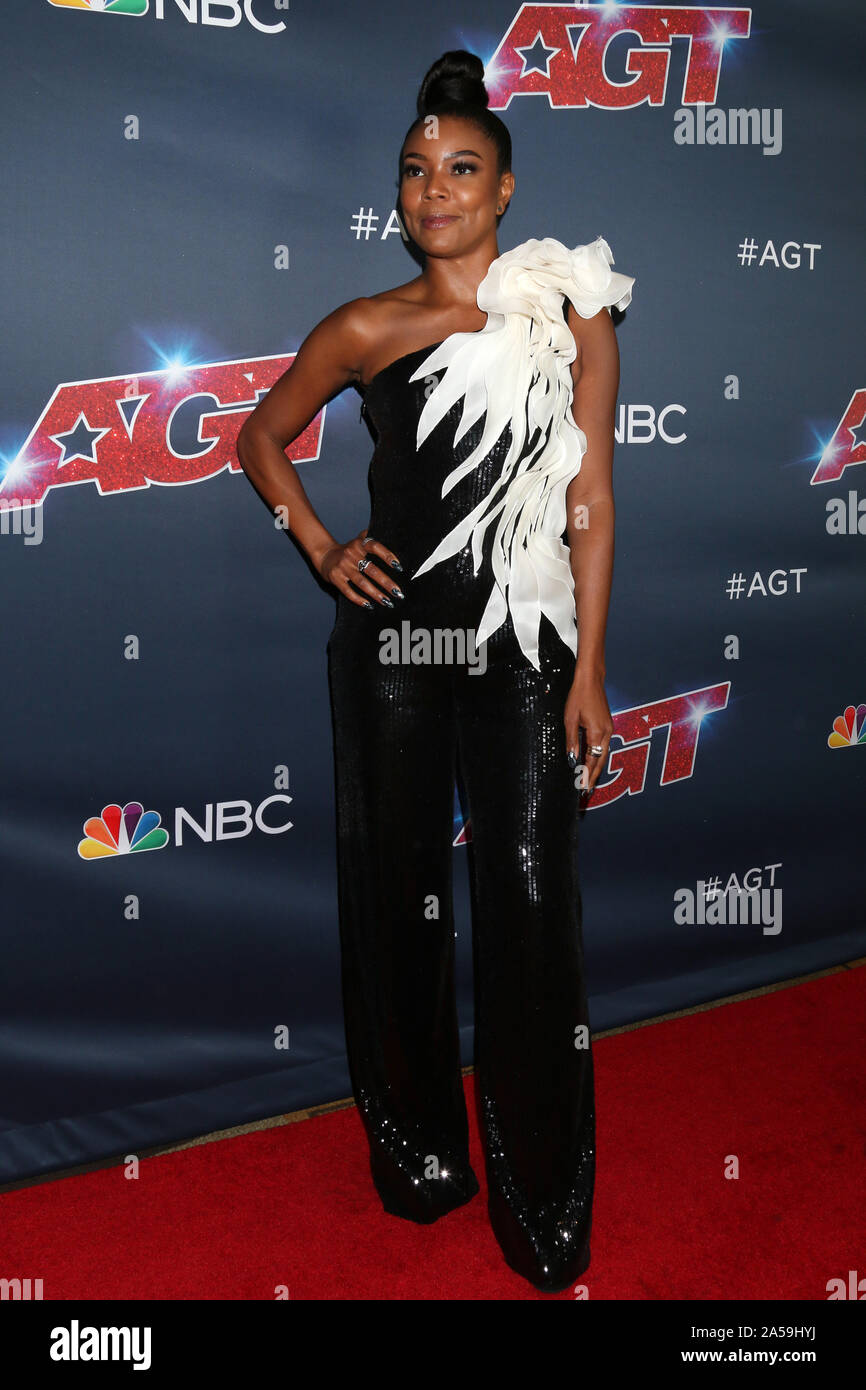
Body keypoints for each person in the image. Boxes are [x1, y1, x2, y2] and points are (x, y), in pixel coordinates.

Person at [237, 49, 633, 1293]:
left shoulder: (570, 308)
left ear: (505, 187)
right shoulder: (367, 327)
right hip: (397, 643)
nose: (434, 191)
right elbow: (259, 434)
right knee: (393, 897)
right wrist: (318, 545)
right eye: (415, 172)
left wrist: (588, 671)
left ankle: (540, 1201)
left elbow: (591, 497)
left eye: (461, 169)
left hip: (522, 647)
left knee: (527, 905)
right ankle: (416, 1158)